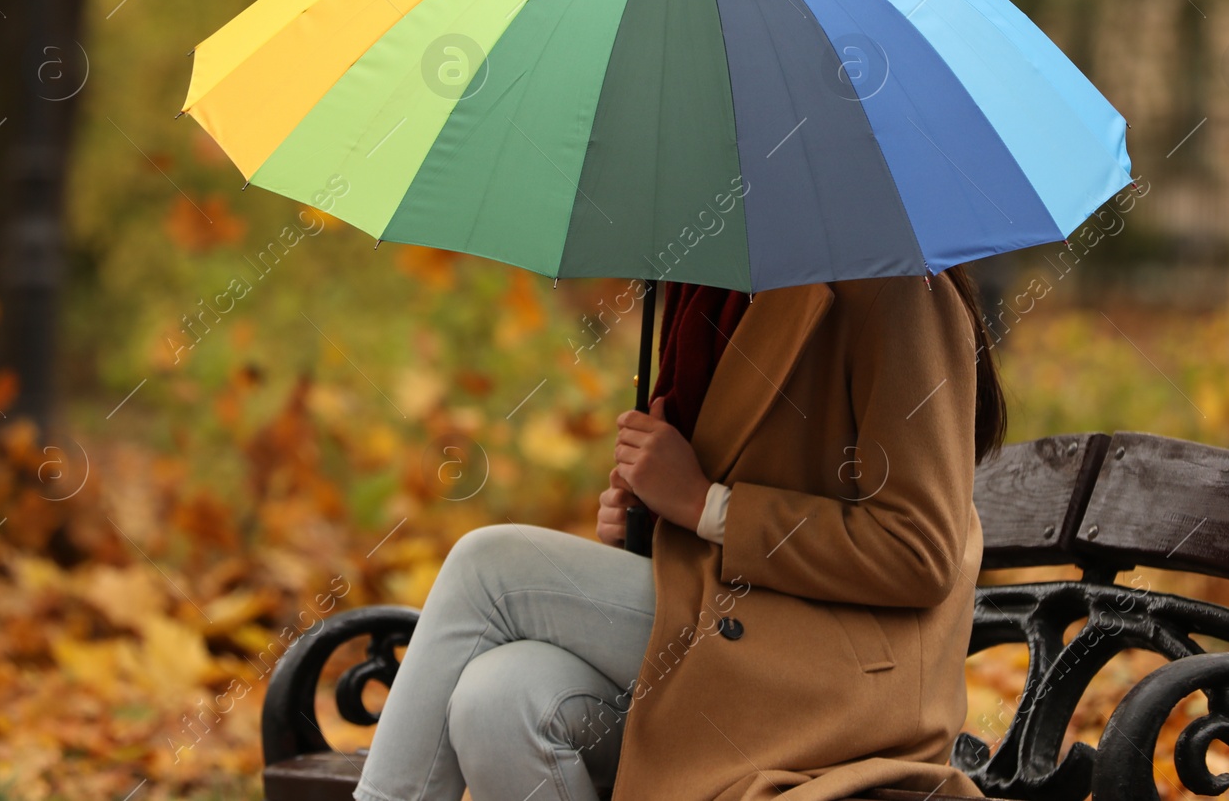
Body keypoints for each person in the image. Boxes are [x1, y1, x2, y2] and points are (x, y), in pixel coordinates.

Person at [354, 267, 1001, 801]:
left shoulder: (901, 285)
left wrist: (702, 503)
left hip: (842, 672)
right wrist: (644, 518)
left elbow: (918, 551)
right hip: (731, 631)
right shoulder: (711, 285)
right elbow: (706, 505)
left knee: (488, 567)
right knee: (498, 695)